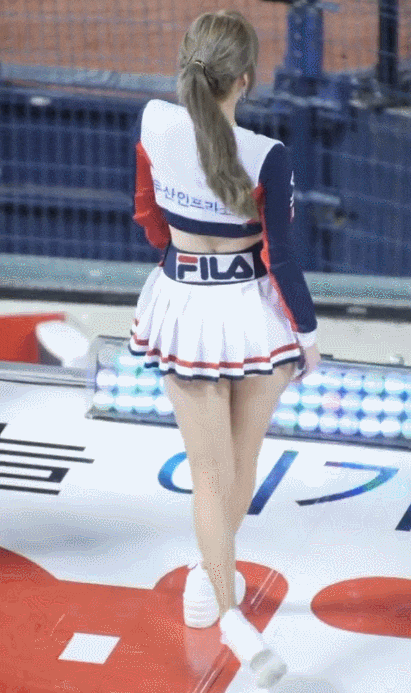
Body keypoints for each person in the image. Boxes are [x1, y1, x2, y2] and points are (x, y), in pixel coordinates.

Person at [129, 9, 321, 688]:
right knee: (239, 462)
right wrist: (307, 336)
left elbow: (148, 215)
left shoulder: (153, 122)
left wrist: (180, 264)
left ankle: (208, 582)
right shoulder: (269, 155)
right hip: (254, 316)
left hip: (183, 305)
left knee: (209, 473)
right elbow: (282, 260)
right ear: (245, 79)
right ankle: (218, 594)